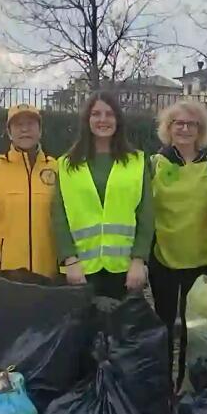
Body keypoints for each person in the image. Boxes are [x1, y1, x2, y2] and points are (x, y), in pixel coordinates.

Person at [52, 92, 154, 299]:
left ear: (118, 120)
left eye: (109, 114)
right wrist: (69, 260)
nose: (103, 120)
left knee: (121, 330)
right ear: (86, 120)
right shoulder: (66, 164)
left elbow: (146, 214)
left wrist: (139, 260)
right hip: (80, 269)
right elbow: (59, 216)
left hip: (124, 270)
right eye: (96, 114)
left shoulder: (137, 161)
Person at [150, 100, 207, 388]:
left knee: (193, 328)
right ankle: (162, 385)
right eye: (178, 123)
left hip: (201, 258)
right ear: (168, 128)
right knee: (164, 326)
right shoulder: (155, 164)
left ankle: (188, 385)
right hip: (163, 257)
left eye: (191, 124)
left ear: (200, 130)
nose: (184, 128)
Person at [0, 104, 59, 288]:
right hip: (6, 276)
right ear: (9, 132)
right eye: (18, 124)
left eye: (30, 123)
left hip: (48, 275)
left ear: (40, 130)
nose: (25, 129)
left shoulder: (57, 169)